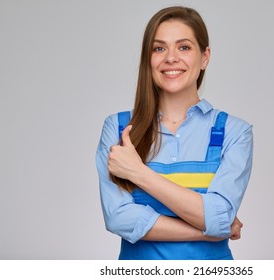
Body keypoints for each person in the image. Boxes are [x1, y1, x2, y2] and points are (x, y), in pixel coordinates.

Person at [95, 6, 253, 260]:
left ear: (204, 57)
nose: (170, 58)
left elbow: (219, 215)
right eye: (159, 48)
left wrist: (139, 173)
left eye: (184, 47)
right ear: (148, 58)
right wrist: (207, 231)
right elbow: (119, 218)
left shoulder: (234, 132)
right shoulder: (118, 128)